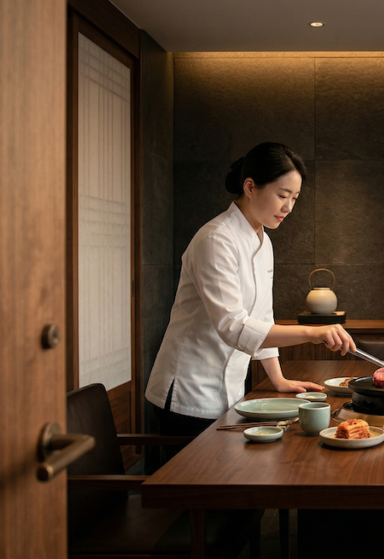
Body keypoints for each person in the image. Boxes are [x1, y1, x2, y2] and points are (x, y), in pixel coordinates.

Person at [145, 142, 356, 444]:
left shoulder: (263, 240)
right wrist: (312, 332)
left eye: (294, 198)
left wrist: (278, 378)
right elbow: (233, 326)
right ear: (250, 187)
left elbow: (262, 316)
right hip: (188, 391)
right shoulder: (216, 239)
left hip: (229, 390)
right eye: (282, 195)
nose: (288, 207)